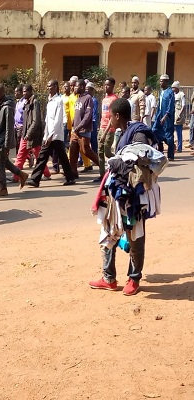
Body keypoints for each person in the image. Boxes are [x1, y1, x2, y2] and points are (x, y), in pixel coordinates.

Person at [89, 98, 160, 296]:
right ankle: (108, 278)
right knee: (108, 231)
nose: (109, 120)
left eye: (110, 116)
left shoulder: (138, 133)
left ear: (117, 116)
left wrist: (121, 164)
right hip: (117, 194)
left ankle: (134, 278)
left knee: (135, 235)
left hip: (134, 197)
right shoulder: (123, 131)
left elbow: (140, 161)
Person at [26, 80, 76, 187]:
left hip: (56, 135)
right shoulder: (50, 100)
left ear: (55, 87)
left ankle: (35, 179)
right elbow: (48, 120)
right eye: (47, 86)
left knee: (54, 157)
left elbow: (58, 120)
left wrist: (51, 135)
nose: (48, 88)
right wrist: (46, 134)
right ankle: (69, 177)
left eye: (50, 86)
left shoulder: (59, 101)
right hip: (49, 135)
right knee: (45, 156)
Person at [0, 83, 28, 197]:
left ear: (2, 93)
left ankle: (3, 188)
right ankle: (21, 174)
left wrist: (6, 145)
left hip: (3, 141)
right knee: (4, 161)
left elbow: (8, 128)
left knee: (0, 163)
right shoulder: (0, 105)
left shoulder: (7, 107)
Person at [14, 84, 50, 181]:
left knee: (38, 155)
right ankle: (16, 176)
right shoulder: (25, 103)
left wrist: (29, 134)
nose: (24, 93)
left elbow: (36, 121)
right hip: (25, 134)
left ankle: (46, 173)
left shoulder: (35, 103)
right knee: (20, 155)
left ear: (30, 92)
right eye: (23, 91)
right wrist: (24, 134)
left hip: (33, 135)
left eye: (26, 91)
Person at [69, 79, 99, 177]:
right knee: (73, 151)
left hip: (84, 130)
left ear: (82, 87)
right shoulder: (78, 98)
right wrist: (74, 124)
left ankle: (103, 167)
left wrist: (80, 126)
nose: (74, 88)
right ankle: (73, 173)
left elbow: (88, 115)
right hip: (75, 131)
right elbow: (77, 113)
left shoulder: (88, 98)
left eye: (76, 86)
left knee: (86, 150)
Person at [95, 78, 118, 183]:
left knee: (107, 152)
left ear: (113, 86)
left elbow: (112, 118)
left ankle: (119, 161)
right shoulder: (104, 99)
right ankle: (102, 175)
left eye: (108, 85)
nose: (106, 87)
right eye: (105, 85)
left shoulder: (114, 99)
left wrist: (105, 132)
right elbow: (103, 115)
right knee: (100, 152)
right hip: (102, 127)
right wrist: (100, 128)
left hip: (109, 129)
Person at [152, 74, 175, 160]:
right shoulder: (161, 92)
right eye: (160, 81)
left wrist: (165, 116)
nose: (160, 83)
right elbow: (159, 105)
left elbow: (170, 105)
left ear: (166, 82)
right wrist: (157, 116)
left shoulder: (170, 92)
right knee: (156, 132)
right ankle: (160, 151)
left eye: (162, 81)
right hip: (159, 116)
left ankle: (170, 155)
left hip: (167, 118)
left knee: (169, 136)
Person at [171, 81, 186, 153]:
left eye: (173, 88)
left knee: (179, 132)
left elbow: (183, 106)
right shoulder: (172, 95)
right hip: (172, 116)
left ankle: (179, 148)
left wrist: (180, 115)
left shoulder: (181, 95)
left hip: (178, 116)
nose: (172, 89)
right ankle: (173, 146)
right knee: (171, 132)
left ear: (177, 88)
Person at [86, 82, 99, 154]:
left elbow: (94, 113)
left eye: (89, 89)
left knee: (93, 140)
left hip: (92, 123)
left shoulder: (94, 100)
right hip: (86, 122)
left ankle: (95, 155)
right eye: (86, 89)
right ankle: (81, 160)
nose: (87, 91)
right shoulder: (85, 99)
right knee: (84, 141)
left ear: (92, 90)